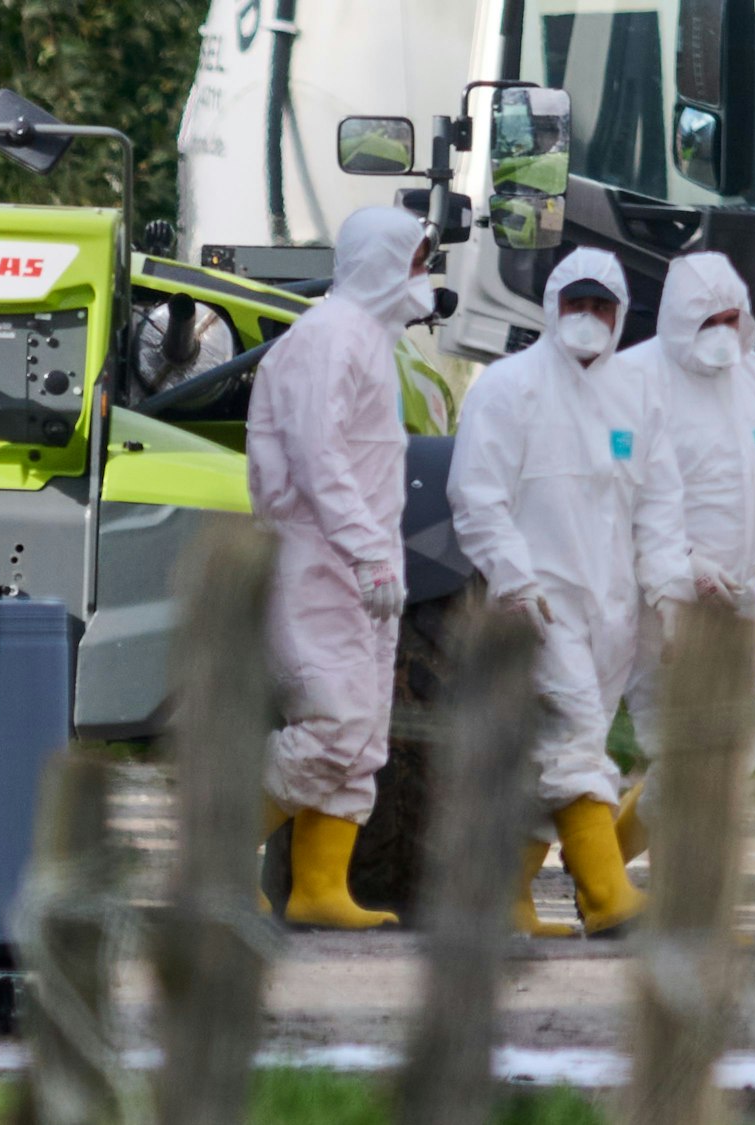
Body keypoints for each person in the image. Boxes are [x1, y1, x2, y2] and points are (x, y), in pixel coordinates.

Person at [448, 247, 694, 939]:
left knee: (552, 758)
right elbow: (476, 497)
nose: (587, 317)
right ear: (552, 305)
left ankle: (504, 899)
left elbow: (659, 509)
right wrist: (514, 579)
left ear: (620, 314)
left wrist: (670, 595)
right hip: (537, 603)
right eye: (575, 303)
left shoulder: (637, 398)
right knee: (578, 740)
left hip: (612, 616)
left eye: (601, 306)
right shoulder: (509, 387)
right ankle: (609, 896)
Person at [249, 207, 433, 930]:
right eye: (416, 261)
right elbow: (316, 456)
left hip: (359, 562)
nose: (424, 276)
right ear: (382, 261)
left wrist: (374, 555)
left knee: (362, 733)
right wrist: (366, 551)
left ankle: (319, 889)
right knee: (331, 721)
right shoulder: (330, 336)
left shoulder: (369, 340)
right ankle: (216, 851)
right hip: (318, 557)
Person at [612, 252, 755, 860]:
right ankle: (618, 884)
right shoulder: (634, 381)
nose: (722, 332)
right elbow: (615, 497)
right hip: (660, 605)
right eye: (708, 321)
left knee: (733, 757)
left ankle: (604, 867)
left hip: (738, 604)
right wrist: (681, 568)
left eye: (732, 319)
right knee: (682, 755)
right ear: (678, 320)